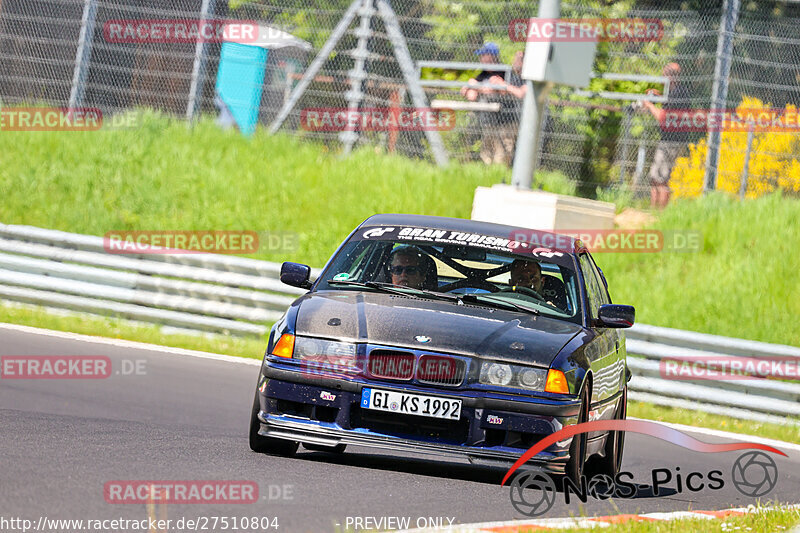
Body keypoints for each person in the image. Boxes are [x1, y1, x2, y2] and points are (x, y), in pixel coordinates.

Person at [460, 43, 521, 166]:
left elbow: (499, 91)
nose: (481, 59)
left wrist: (477, 87)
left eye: (483, 55)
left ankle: (500, 179)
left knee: (502, 155)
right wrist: (471, 87)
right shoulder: (483, 74)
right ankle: (489, 178)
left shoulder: (505, 71)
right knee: (487, 153)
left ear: (492, 56)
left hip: (506, 122)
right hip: (489, 122)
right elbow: (469, 94)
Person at [642, 62, 690, 209]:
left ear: (672, 76)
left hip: (672, 142)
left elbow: (663, 118)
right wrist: (658, 97)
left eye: (666, 73)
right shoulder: (672, 92)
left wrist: (649, 105)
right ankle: (652, 212)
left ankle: (660, 214)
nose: (663, 76)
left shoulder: (679, 93)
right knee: (654, 177)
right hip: (667, 140)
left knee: (662, 179)